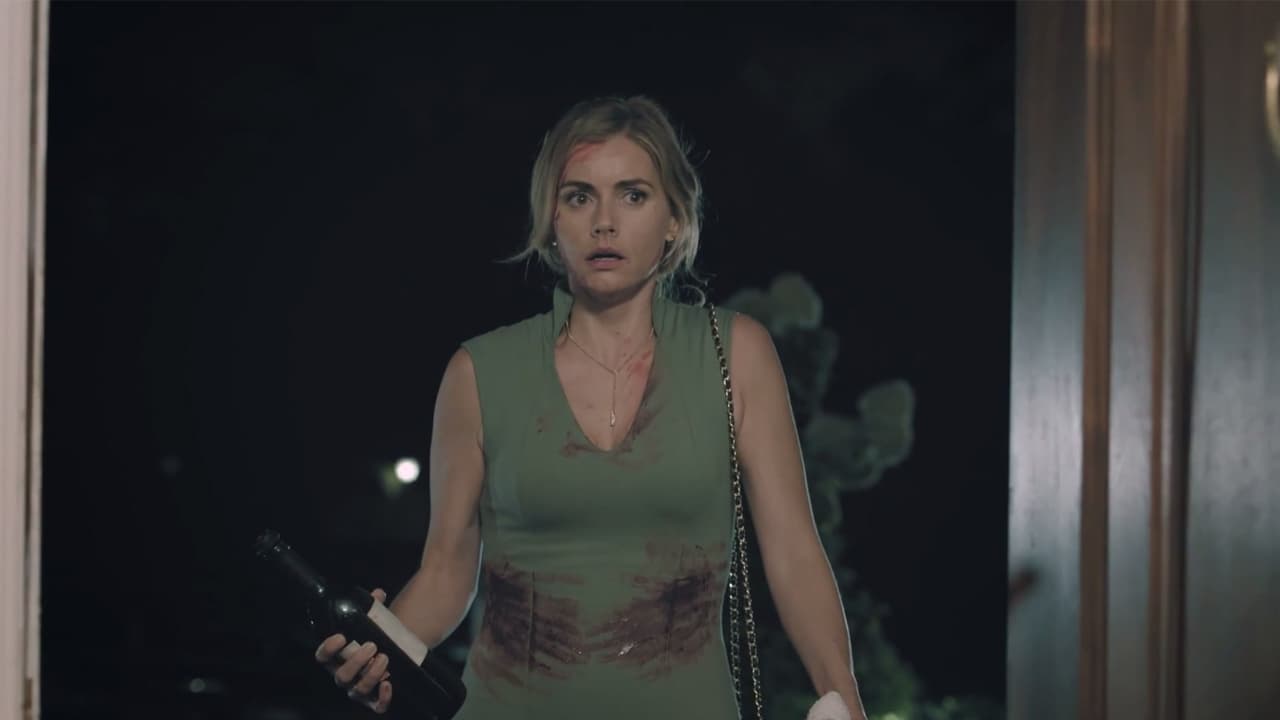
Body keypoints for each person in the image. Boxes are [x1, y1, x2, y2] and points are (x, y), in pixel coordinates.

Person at [313, 95, 868, 720]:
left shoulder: (736, 354)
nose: (605, 222)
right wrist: (379, 648)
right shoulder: (479, 372)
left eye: (633, 195)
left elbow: (793, 553)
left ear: (674, 219)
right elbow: (445, 572)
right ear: (551, 220)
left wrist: (845, 699)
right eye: (579, 197)